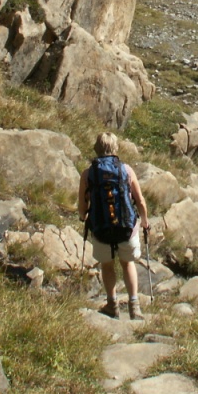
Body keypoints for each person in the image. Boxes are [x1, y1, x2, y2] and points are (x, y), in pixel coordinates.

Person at [78, 132, 150, 320]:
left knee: (107, 265)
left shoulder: (88, 173)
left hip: (101, 227)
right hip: (126, 227)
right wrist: (144, 220)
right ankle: (134, 307)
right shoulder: (126, 170)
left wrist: (83, 216)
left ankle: (112, 304)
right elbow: (140, 200)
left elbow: (82, 205)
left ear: (97, 147)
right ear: (115, 148)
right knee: (128, 263)